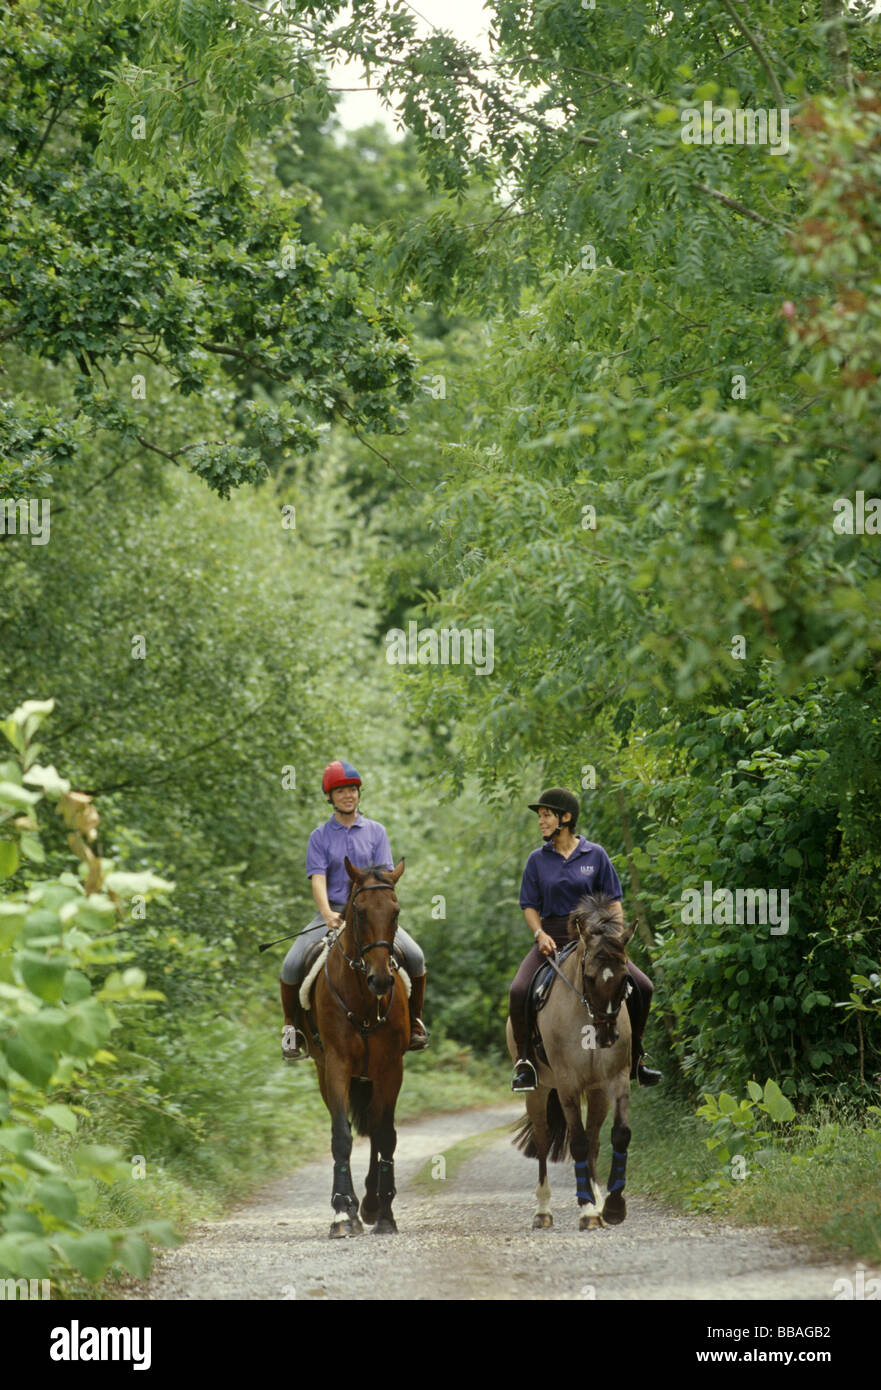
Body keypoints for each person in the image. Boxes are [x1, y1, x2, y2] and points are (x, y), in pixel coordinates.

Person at [509, 787, 661, 1093]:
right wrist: (539, 934)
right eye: (540, 816)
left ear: (566, 818)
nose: (541, 821)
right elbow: (529, 905)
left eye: (547, 815)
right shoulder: (537, 860)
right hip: (552, 938)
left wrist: (614, 937)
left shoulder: (596, 855)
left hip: (596, 940)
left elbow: (614, 902)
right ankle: (525, 1062)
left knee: (643, 986)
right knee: (519, 990)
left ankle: (637, 1057)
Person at [279, 760, 428, 1060]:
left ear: (359, 794)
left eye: (352, 790)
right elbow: (318, 879)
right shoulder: (319, 837)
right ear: (330, 797)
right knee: (292, 964)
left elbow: (385, 880)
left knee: (415, 956)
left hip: (371, 916)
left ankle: (414, 1023)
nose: (348, 796)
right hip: (332, 912)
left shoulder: (376, 831)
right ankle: (290, 1030)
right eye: (340, 791)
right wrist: (325, 913)